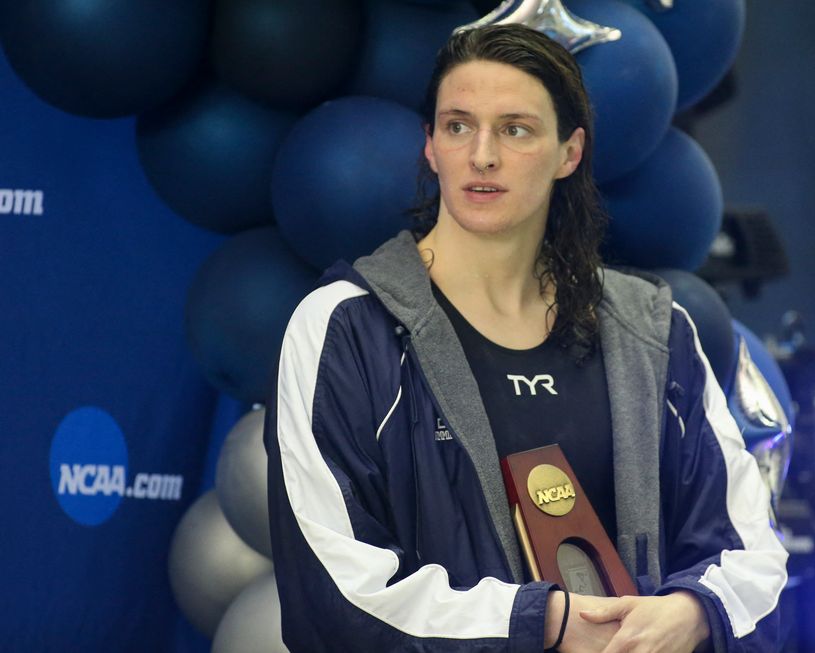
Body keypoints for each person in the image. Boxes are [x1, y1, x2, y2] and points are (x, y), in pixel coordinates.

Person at [267, 24, 787, 653]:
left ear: (569, 152)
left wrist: (692, 612)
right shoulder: (345, 326)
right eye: (458, 126)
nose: (482, 155)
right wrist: (539, 622)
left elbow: (751, 557)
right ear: (430, 145)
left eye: (515, 129)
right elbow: (334, 596)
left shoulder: (654, 330)